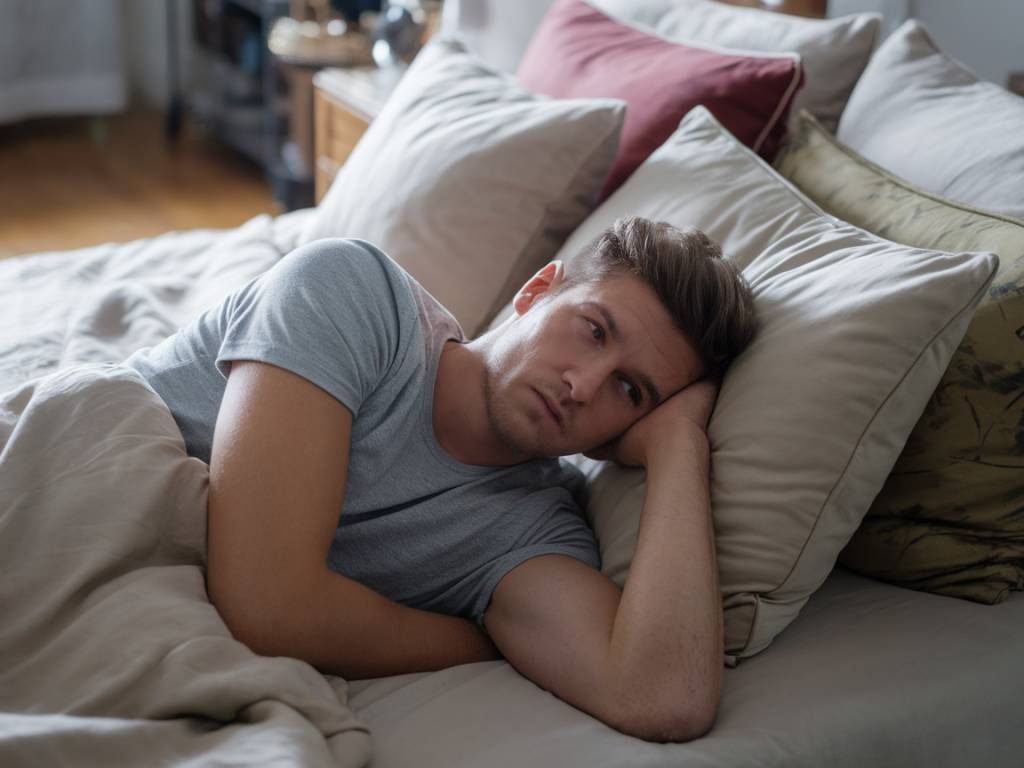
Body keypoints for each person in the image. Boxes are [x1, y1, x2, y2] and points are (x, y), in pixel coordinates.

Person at [123, 215, 756, 743]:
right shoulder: (354, 292)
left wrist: (679, 448)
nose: (583, 386)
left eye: (630, 389)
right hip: (87, 470)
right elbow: (267, 606)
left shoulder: (532, 526)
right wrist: (480, 639)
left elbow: (664, 698)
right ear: (538, 290)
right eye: (593, 331)